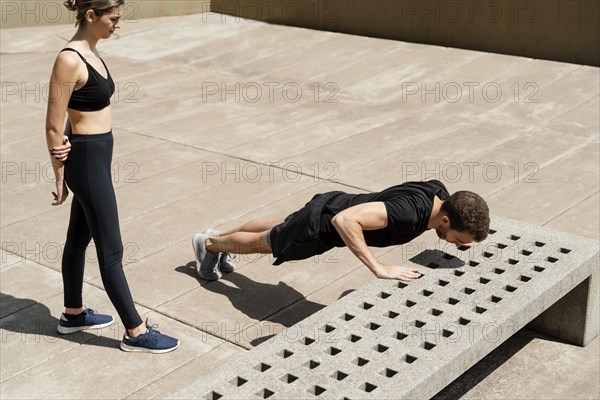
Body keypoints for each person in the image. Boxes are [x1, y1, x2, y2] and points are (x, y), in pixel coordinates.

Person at [45, 0, 178, 353]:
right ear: (91, 16)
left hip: (95, 160)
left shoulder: (91, 52)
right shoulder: (69, 59)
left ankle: (72, 314)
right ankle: (136, 331)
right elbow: (53, 123)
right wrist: (61, 176)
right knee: (112, 250)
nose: (118, 24)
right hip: (87, 163)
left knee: (78, 241)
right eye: (113, 18)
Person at [193, 180, 489, 281]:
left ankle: (214, 235)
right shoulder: (408, 213)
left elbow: (463, 212)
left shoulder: (439, 195)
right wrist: (378, 267)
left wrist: (467, 236)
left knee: (277, 226)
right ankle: (211, 247)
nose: (455, 244)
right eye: (457, 240)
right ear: (446, 221)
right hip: (321, 225)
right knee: (265, 242)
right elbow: (344, 222)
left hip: (332, 202)